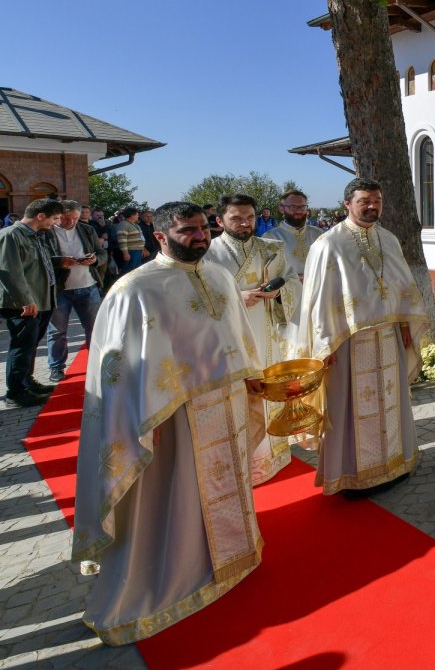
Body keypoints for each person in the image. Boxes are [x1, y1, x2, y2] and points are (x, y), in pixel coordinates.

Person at [73, 201, 267, 646]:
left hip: (224, 403)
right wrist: (136, 422)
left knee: (223, 483)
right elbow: (117, 369)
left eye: (203, 228)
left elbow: (235, 334)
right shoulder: (133, 290)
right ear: (160, 236)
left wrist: (251, 376)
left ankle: (233, 554)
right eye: (187, 231)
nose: (200, 237)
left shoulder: (217, 274)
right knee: (177, 493)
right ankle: (179, 571)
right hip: (172, 414)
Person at [298, 178, 428, 494]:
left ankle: (395, 463)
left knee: (392, 399)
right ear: (347, 204)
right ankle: (354, 475)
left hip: (388, 337)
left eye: (377, 200)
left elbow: (403, 287)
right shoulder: (328, 244)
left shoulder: (389, 239)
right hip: (348, 343)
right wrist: (321, 344)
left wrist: (406, 326)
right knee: (352, 407)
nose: (372, 206)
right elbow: (318, 300)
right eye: (364, 201)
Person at [204, 193, 301, 485]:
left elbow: (292, 279)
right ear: (220, 221)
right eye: (236, 218)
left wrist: (279, 292)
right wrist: (237, 297)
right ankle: (241, 459)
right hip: (230, 339)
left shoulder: (271, 247)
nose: (244, 223)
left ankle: (271, 453)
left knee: (266, 387)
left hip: (267, 332)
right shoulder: (207, 253)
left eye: (250, 217)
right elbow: (199, 296)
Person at [0, 198, 64, 406]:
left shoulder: (35, 236)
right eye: (53, 218)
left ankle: (26, 382)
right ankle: (16, 393)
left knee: (29, 345)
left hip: (39, 300)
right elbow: (9, 271)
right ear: (40, 216)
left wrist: (64, 261)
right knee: (21, 347)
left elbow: (37, 263)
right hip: (20, 304)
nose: (54, 223)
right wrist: (24, 300)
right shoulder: (10, 235)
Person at [45, 201, 107, 381]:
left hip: (88, 286)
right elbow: (38, 260)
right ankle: (56, 367)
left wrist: (95, 259)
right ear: (58, 215)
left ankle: (97, 363)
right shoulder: (46, 232)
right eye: (66, 218)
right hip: (59, 289)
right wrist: (60, 262)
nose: (71, 223)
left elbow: (102, 254)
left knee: (94, 328)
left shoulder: (86, 230)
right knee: (57, 331)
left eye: (75, 219)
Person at [267, 189, 324, 285]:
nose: (298, 211)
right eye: (293, 207)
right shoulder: (270, 238)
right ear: (282, 209)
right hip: (288, 294)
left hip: (318, 289)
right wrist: (294, 279)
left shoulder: (319, 234)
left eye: (302, 207)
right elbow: (267, 272)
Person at [112, 207, 147, 272]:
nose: (138, 216)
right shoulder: (123, 224)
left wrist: (141, 249)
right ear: (132, 215)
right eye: (137, 214)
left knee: (136, 270)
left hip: (138, 251)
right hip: (131, 251)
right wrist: (125, 253)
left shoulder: (135, 225)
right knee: (129, 271)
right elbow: (122, 240)